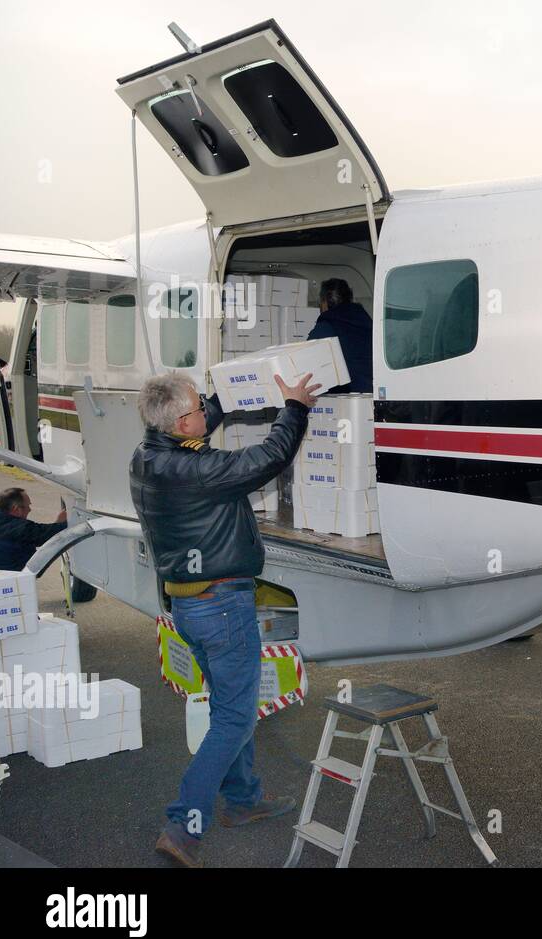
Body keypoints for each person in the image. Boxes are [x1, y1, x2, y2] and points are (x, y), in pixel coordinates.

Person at [130, 370, 322, 867]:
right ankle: (184, 825)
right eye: (198, 408)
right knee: (236, 716)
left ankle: (241, 799)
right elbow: (268, 458)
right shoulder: (199, 470)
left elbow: (198, 422)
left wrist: (230, 395)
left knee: (227, 706)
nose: (204, 413)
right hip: (222, 607)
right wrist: (294, 407)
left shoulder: (148, 456)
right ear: (181, 422)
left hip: (190, 608)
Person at [308, 277, 373, 393]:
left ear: (324, 302)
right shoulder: (367, 322)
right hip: (371, 391)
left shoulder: (327, 326)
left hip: (346, 394)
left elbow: (306, 360)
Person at [0, 487, 67, 571]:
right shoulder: (18, 528)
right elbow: (45, 535)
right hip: (8, 580)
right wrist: (61, 523)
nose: (30, 510)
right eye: (28, 506)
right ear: (16, 509)